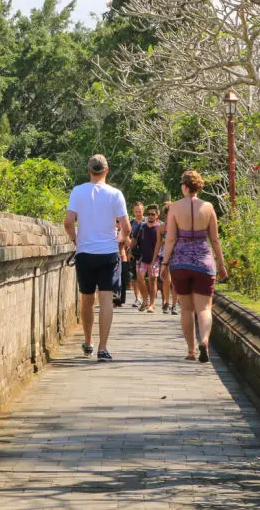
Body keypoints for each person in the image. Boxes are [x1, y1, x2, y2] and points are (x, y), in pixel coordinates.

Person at [64, 154, 131, 362]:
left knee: (86, 298)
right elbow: (126, 228)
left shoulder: (78, 191)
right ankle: (103, 348)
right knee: (106, 301)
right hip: (108, 254)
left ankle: (88, 341)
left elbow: (68, 223)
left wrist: (77, 241)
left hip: (85, 253)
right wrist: (118, 239)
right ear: (106, 171)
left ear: (89, 171)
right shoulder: (115, 194)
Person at [162, 170, 227, 362]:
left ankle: (191, 350)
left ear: (184, 186)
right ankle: (204, 341)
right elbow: (214, 239)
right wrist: (221, 264)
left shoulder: (174, 207)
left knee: (186, 309)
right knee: (204, 308)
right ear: (199, 187)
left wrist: (164, 263)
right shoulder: (208, 207)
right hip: (204, 262)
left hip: (180, 263)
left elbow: (171, 238)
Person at [135, 204, 162, 312]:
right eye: (149, 214)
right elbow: (134, 240)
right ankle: (145, 299)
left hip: (155, 258)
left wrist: (156, 258)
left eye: (153, 214)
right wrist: (129, 251)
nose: (150, 216)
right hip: (142, 257)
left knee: (153, 280)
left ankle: (152, 304)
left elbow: (161, 243)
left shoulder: (159, 227)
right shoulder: (142, 227)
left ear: (157, 215)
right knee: (140, 278)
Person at [129, 201, 145, 308]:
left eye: (139, 211)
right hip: (134, 252)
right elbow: (127, 237)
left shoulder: (148, 221)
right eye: (136, 211)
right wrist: (129, 251)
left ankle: (146, 297)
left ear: (143, 210)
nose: (138, 213)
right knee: (135, 276)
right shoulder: (131, 223)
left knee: (146, 277)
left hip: (147, 252)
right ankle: (137, 298)